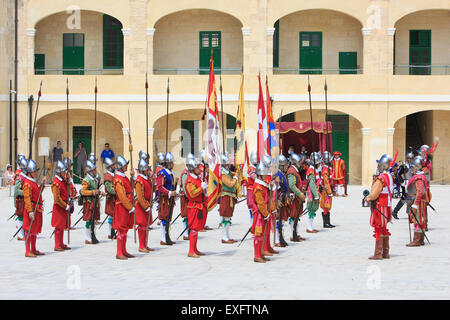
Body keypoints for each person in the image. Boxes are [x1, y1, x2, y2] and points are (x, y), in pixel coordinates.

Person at [363, 154, 394, 260]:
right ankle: (386, 252)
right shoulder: (389, 176)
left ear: (384, 165)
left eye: (379, 164)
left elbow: (375, 193)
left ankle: (378, 253)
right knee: (384, 228)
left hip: (380, 205)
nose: (377, 166)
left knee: (379, 228)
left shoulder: (381, 178)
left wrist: (367, 198)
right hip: (387, 205)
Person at [113, 155, 136, 259]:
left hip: (127, 207)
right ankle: (119, 252)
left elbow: (129, 188)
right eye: (125, 165)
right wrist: (130, 207)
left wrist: (132, 177)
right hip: (122, 207)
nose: (127, 166)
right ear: (120, 166)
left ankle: (124, 250)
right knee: (121, 230)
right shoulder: (118, 179)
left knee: (125, 230)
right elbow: (122, 196)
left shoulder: (123, 177)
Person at [184, 158, 208, 258]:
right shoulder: (189, 180)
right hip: (194, 206)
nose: (200, 169)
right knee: (193, 228)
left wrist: (204, 190)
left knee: (197, 228)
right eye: (198, 167)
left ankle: (195, 248)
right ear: (193, 169)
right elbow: (192, 194)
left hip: (199, 205)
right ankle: (191, 250)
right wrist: (201, 188)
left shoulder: (197, 178)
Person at [251, 161, 274, 263]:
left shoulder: (263, 185)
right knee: (258, 234)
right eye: (264, 174)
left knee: (262, 234)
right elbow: (260, 203)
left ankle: (260, 253)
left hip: (263, 213)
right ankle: (257, 255)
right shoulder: (258, 187)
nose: (266, 176)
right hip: (260, 214)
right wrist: (266, 214)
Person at [23, 159, 46, 257]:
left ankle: (33, 249)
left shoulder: (33, 182)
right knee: (28, 230)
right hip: (31, 209)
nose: (36, 173)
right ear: (30, 172)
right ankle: (28, 251)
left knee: (34, 230)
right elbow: (27, 198)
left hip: (37, 208)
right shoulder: (27, 183)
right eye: (34, 171)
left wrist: (43, 184)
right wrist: (30, 211)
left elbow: (38, 192)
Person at [406, 156, 431, 247]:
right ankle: (420, 239)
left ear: (417, 167)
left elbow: (420, 192)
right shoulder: (419, 176)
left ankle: (417, 240)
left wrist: (415, 205)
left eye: (413, 167)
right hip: (420, 201)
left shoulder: (419, 178)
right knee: (419, 219)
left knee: (418, 219)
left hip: (419, 202)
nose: (411, 169)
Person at [157, 152, 178, 245]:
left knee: (168, 218)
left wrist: (175, 193)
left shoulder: (170, 173)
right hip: (165, 199)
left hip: (170, 199)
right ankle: (163, 238)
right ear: (168, 163)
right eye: (172, 163)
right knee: (164, 218)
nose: (173, 164)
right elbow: (160, 187)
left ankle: (167, 237)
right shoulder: (162, 173)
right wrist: (169, 192)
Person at [51, 160, 72, 251]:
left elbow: (68, 189)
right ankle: (57, 245)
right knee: (58, 227)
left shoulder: (63, 181)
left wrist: (68, 179)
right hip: (59, 206)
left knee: (63, 225)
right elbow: (57, 198)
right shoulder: (56, 183)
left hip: (64, 206)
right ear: (59, 172)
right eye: (63, 172)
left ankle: (61, 243)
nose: (64, 173)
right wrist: (65, 205)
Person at [135, 157, 154, 253]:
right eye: (147, 169)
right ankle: (141, 246)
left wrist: (153, 180)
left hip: (147, 204)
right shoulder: (139, 180)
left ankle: (145, 244)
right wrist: (145, 206)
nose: (148, 171)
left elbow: (151, 190)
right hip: (142, 205)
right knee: (141, 226)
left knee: (146, 226)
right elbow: (140, 196)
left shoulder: (147, 179)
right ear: (143, 170)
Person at [81, 160, 102, 244]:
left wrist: (100, 192)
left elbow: (96, 190)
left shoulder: (94, 179)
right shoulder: (86, 180)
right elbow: (83, 192)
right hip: (89, 202)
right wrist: (93, 192)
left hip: (94, 202)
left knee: (93, 221)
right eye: (94, 170)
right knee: (89, 220)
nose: (95, 171)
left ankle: (93, 235)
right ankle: (88, 237)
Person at [219, 153, 239, 244]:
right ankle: (224, 237)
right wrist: (235, 178)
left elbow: (234, 173)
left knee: (228, 217)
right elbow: (230, 184)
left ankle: (227, 236)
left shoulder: (227, 172)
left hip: (230, 196)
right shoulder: (222, 173)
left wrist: (238, 171)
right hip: (225, 196)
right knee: (225, 217)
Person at [286, 153, 306, 242]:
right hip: (293, 198)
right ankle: (293, 234)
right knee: (294, 216)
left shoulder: (295, 170)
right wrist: (300, 194)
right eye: (299, 161)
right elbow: (292, 185)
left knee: (296, 216)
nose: (301, 163)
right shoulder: (291, 171)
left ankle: (296, 233)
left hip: (296, 198)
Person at [275, 155, 289, 247]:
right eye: (285, 165)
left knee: (282, 220)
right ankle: (277, 240)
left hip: (283, 199)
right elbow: (275, 190)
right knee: (277, 220)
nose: (286, 166)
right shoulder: (277, 175)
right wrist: (276, 200)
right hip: (279, 200)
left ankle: (280, 238)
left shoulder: (281, 174)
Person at [13, 156, 28, 241]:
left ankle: (23, 233)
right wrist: (26, 193)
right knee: (20, 217)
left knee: (23, 217)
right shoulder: (20, 177)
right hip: (20, 200)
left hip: (24, 200)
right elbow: (17, 191)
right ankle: (20, 235)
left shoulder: (24, 177)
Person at [306, 152, 321, 233]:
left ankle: (311, 226)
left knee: (313, 210)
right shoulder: (311, 171)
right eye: (318, 163)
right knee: (311, 209)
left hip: (316, 192)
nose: (319, 164)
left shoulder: (315, 170)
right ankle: (309, 227)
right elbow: (312, 184)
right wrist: (316, 195)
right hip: (312, 193)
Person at [180, 153, 194, 240]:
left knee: (190, 215)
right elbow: (185, 188)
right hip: (186, 197)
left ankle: (189, 231)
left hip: (190, 197)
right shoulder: (185, 173)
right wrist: (190, 196)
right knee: (186, 215)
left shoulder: (190, 172)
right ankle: (186, 233)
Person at [320, 151, 335, 228]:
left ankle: (328, 222)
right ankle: (325, 223)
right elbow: (326, 182)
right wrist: (329, 192)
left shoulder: (328, 169)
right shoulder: (325, 170)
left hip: (328, 190)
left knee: (328, 207)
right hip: (326, 191)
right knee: (326, 206)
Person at [103, 157, 116, 239]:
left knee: (114, 215)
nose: (114, 167)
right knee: (111, 215)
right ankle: (110, 232)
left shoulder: (113, 174)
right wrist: (118, 191)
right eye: (112, 166)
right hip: (111, 198)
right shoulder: (108, 176)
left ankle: (113, 231)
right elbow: (109, 189)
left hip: (114, 198)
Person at [246, 152, 258, 221]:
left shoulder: (255, 167)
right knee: (251, 204)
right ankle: (252, 221)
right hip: (251, 188)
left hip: (255, 188)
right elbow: (255, 177)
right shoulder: (251, 168)